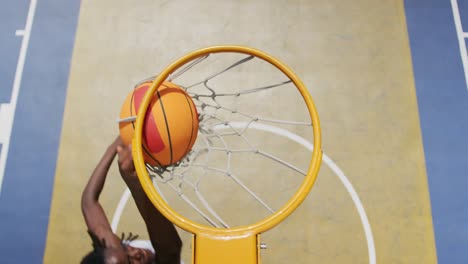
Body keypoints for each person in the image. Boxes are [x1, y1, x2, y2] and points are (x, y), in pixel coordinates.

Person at [81, 136, 182, 264]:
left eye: (124, 248)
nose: (135, 252)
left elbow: (88, 202)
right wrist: (136, 185)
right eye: (130, 262)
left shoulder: (113, 253)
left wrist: (117, 144)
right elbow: (172, 250)